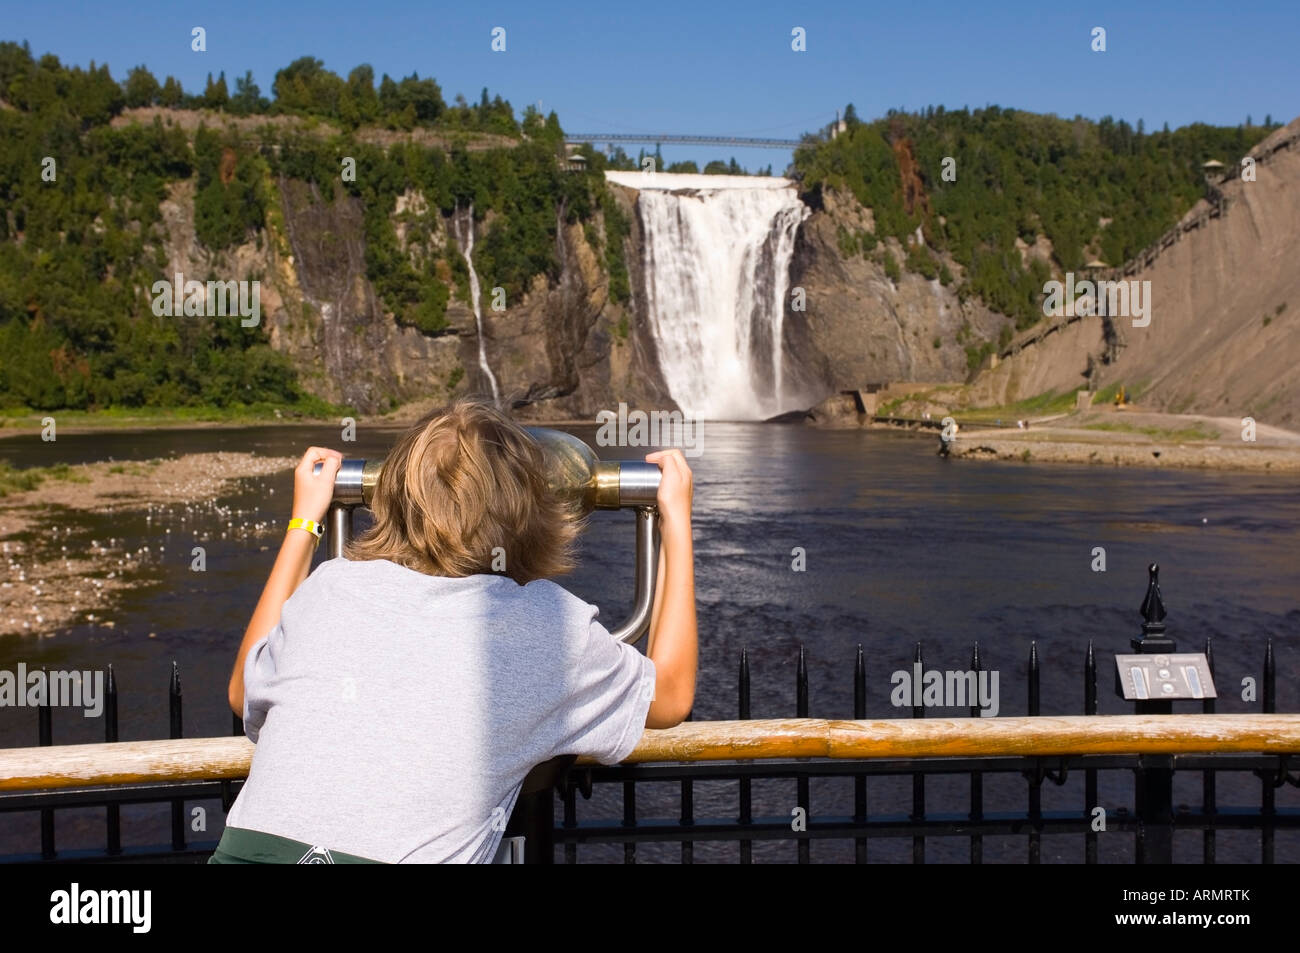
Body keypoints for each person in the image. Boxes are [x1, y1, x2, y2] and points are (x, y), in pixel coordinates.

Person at [210, 398, 697, 863]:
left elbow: (242, 689)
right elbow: (671, 695)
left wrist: (305, 521)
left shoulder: (330, 586)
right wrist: (674, 520)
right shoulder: (550, 626)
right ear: (529, 512)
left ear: (391, 496)